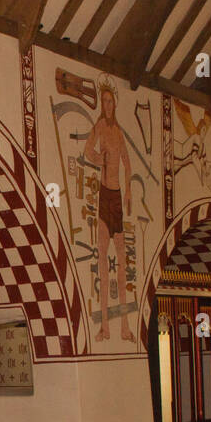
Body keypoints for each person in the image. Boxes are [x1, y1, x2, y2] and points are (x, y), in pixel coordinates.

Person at [83, 83, 134, 342]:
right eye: (104, 101)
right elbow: (87, 150)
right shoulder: (100, 127)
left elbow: (127, 160)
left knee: (122, 261)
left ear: (115, 104)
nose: (107, 105)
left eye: (110, 101)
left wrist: (128, 192)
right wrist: (98, 159)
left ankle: (125, 325)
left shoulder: (119, 132)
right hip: (104, 195)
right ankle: (105, 325)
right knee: (103, 259)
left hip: (116, 197)